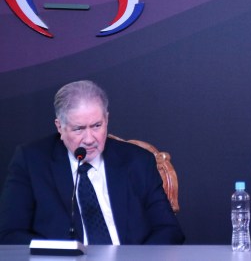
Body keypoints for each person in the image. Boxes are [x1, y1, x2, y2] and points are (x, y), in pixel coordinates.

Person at [0, 80, 185, 245]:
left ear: (107, 119)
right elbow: (9, 234)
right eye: (79, 129)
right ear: (60, 127)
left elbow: (168, 230)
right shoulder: (32, 162)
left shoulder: (138, 161)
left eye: (97, 126)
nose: (89, 139)